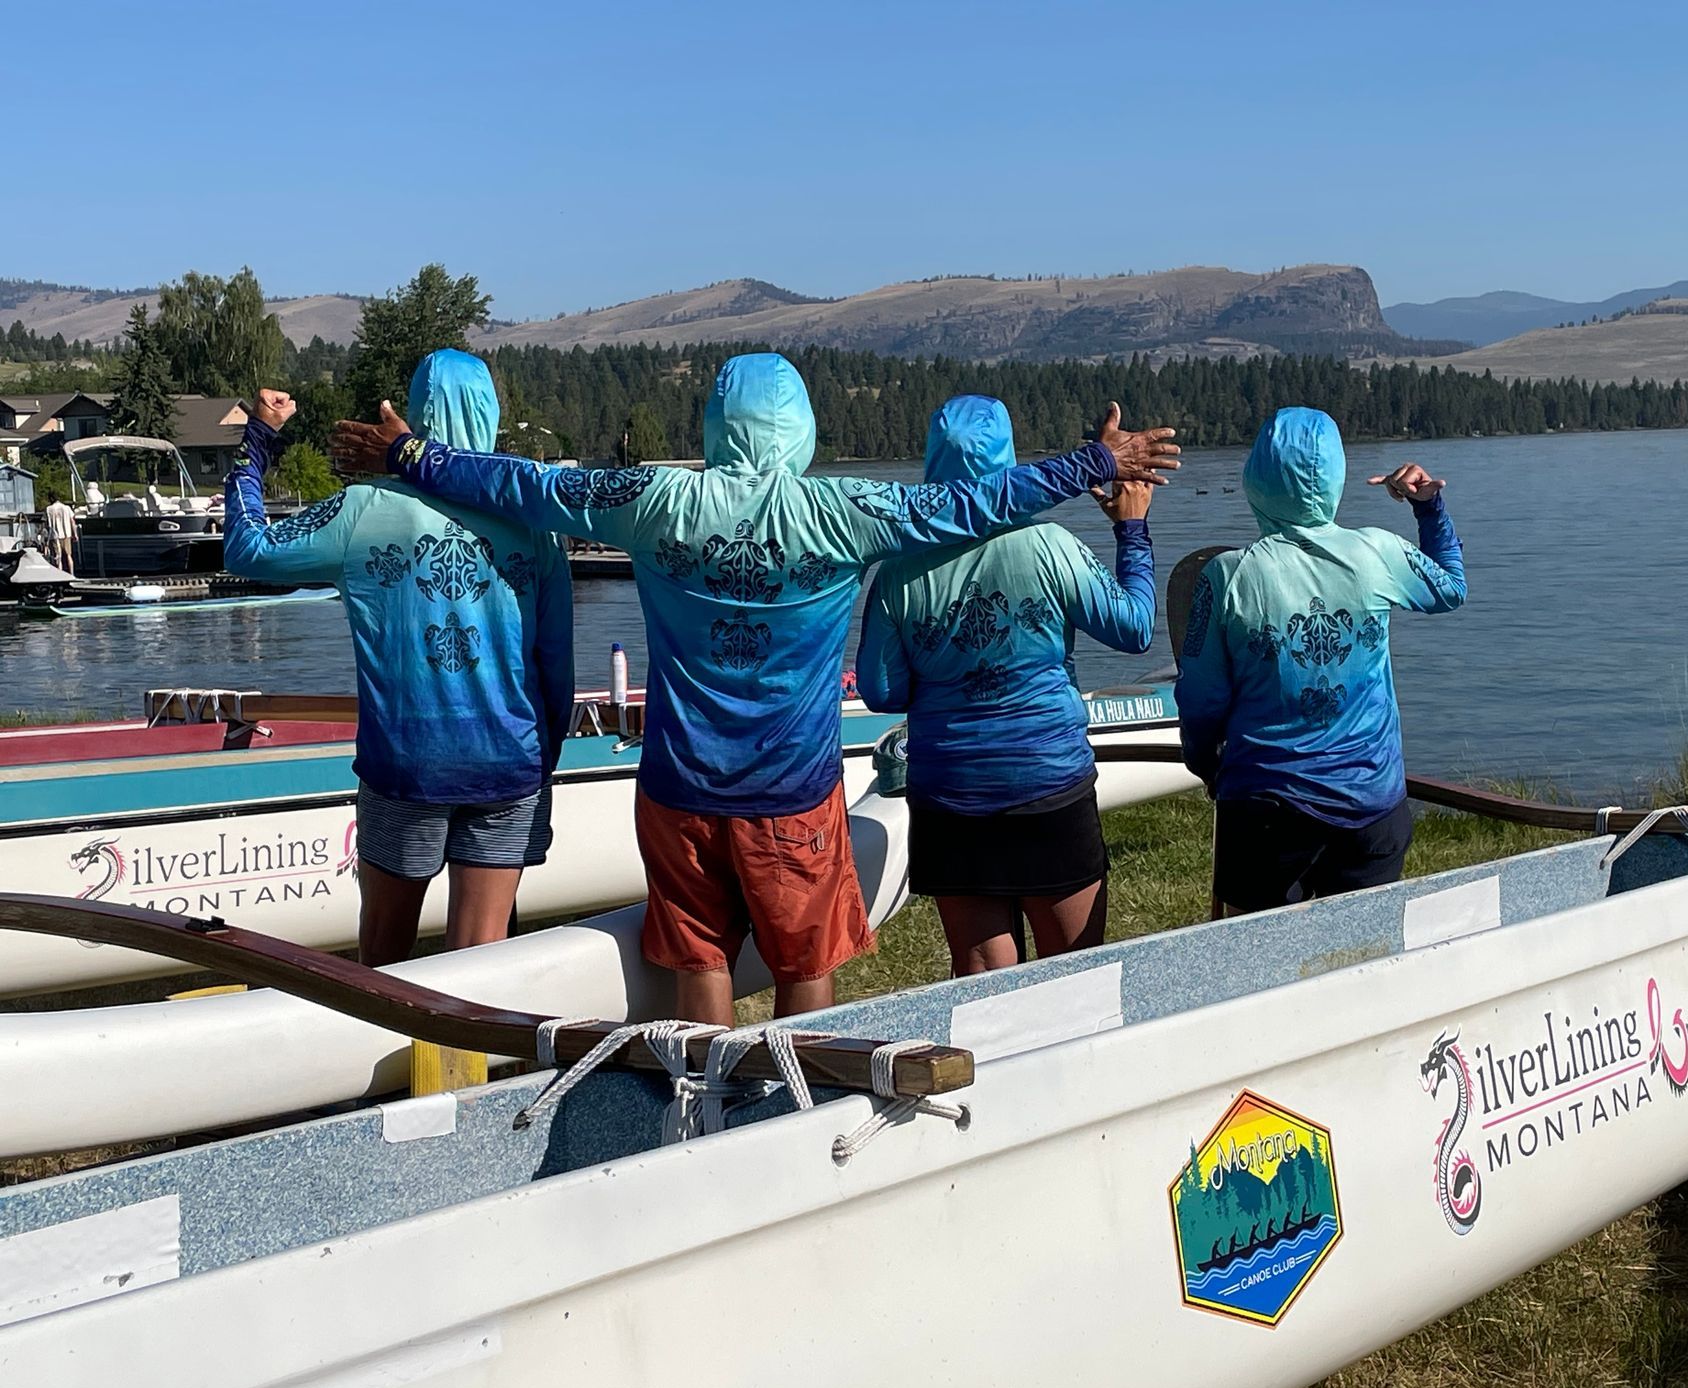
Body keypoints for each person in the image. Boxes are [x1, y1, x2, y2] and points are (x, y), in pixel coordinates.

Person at [331, 353, 1179, 1021]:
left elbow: (524, 486)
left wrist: (412, 453)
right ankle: (798, 1118)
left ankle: (704, 1120)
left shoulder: (654, 498)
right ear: (801, 428)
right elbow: (966, 506)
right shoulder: (839, 512)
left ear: (713, 422)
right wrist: (1090, 463)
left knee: (701, 969)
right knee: (803, 968)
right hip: (791, 800)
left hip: (679, 792)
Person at [226, 350, 574, 963]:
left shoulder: (364, 509)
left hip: (407, 764)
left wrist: (258, 441)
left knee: (385, 962)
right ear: (489, 411)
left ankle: (383, 1055)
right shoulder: (533, 519)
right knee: (483, 967)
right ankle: (475, 1060)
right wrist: (540, 762)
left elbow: (247, 549)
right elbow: (556, 661)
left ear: (414, 414)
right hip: (509, 764)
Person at [856, 395, 1157, 975]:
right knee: (1075, 983)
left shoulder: (896, 571)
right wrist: (1132, 530)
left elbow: (883, 692)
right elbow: (1136, 628)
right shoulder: (1050, 547)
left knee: (982, 998)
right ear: (1010, 460)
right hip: (1049, 784)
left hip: (950, 799)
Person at [1175, 406, 1465, 913]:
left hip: (1263, 806)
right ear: (1336, 476)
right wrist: (1428, 507)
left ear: (1256, 477)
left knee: (1257, 967)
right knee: (1361, 963)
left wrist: (1205, 764)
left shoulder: (1227, 576)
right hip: (1370, 803)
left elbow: (1201, 697)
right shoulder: (1377, 553)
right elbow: (1451, 588)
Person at [42, 494, 76, 574]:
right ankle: (72, 573)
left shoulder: (48, 509)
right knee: (68, 555)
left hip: (54, 535)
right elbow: (72, 521)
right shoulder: (66, 508)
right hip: (66, 534)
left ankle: (60, 574)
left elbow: (45, 523)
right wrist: (75, 534)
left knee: (58, 557)